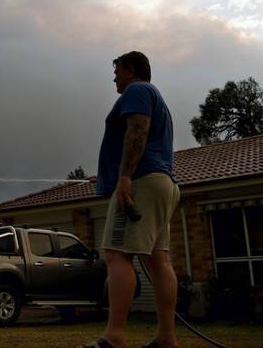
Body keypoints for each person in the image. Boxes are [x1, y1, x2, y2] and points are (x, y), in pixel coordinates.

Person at [83, 51, 180, 348]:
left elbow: (138, 129)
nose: (114, 77)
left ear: (130, 69)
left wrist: (125, 178)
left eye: (117, 70)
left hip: (141, 182)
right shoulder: (154, 94)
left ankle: (114, 336)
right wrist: (111, 176)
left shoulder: (138, 90)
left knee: (116, 254)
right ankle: (166, 339)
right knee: (157, 259)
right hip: (161, 183)